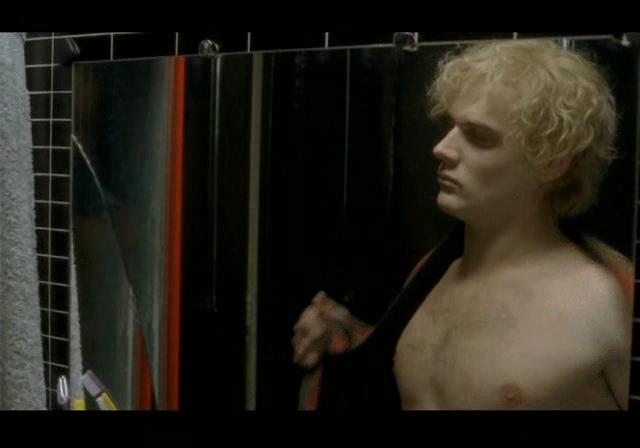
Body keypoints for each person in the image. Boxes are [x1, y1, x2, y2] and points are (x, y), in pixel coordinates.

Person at [291, 39, 634, 410]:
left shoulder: (604, 301)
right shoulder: (432, 273)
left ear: (553, 163)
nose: (442, 148)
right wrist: (347, 337)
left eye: (478, 137)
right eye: (451, 127)